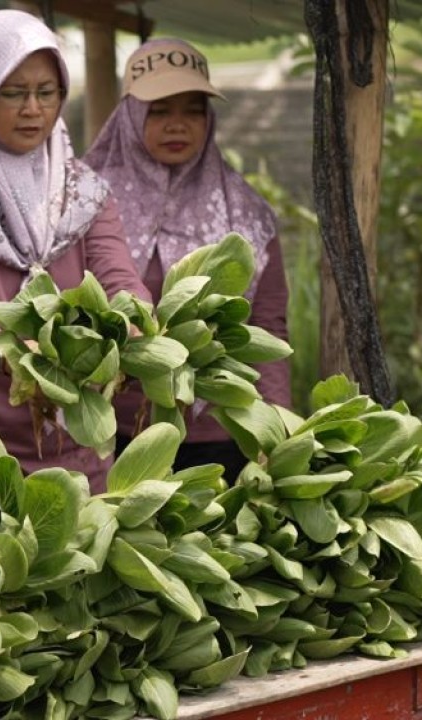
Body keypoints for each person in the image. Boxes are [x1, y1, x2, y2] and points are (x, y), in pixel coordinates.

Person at [0, 9, 151, 493]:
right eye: (12, 93)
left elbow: (118, 276)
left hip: (72, 429)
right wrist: (12, 353)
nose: (33, 109)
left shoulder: (82, 192)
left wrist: (137, 321)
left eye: (47, 92)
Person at [83, 38, 290, 481]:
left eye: (193, 109)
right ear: (131, 115)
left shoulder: (246, 214)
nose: (177, 125)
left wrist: (275, 431)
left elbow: (268, 327)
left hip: (218, 434)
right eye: (159, 110)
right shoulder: (82, 203)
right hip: (109, 434)